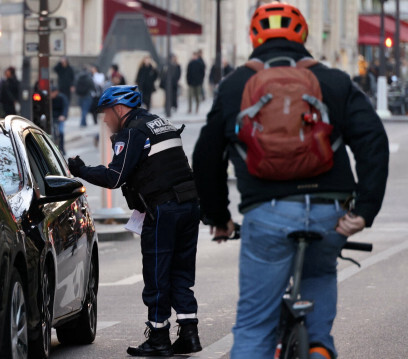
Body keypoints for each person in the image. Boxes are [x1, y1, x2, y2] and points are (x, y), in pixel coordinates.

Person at [192, 3, 389, 359]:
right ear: (303, 36)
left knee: (254, 327)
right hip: (331, 213)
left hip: (266, 212)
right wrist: (365, 208)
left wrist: (218, 217)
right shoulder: (333, 80)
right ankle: (318, 348)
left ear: (255, 36)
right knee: (319, 273)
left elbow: (207, 157)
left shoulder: (235, 84)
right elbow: (373, 140)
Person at [68, 85, 202, 357]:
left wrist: (80, 170)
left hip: (164, 208)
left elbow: (114, 177)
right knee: (180, 273)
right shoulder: (159, 123)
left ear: (119, 109)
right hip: (189, 204)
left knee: (156, 273)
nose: (105, 120)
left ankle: (158, 337)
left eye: (106, 113)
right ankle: (189, 334)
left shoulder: (132, 131)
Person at [51, 86, 69, 155]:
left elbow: (65, 107)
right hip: (52, 117)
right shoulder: (49, 99)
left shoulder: (62, 98)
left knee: (61, 132)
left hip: (59, 118)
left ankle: (62, 148)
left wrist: (63, 116)